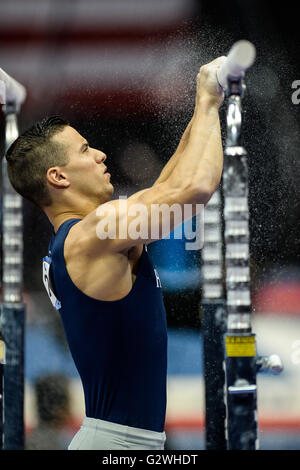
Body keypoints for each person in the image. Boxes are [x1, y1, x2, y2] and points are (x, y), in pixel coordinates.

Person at [6, 56, 225, 450]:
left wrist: (203, 103)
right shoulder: (92, 234)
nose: (101, 155)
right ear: (58, 176)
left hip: (124, 441)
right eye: (85, 150)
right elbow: (194, 190)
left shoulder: (89, 237)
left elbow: (167, 187)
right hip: (118, 444)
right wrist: (208, 99)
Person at [26, 374, 74, 450]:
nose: (71, 407)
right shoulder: (65, 443)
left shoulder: (29, 441)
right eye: (69, 401)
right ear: (56, 409)